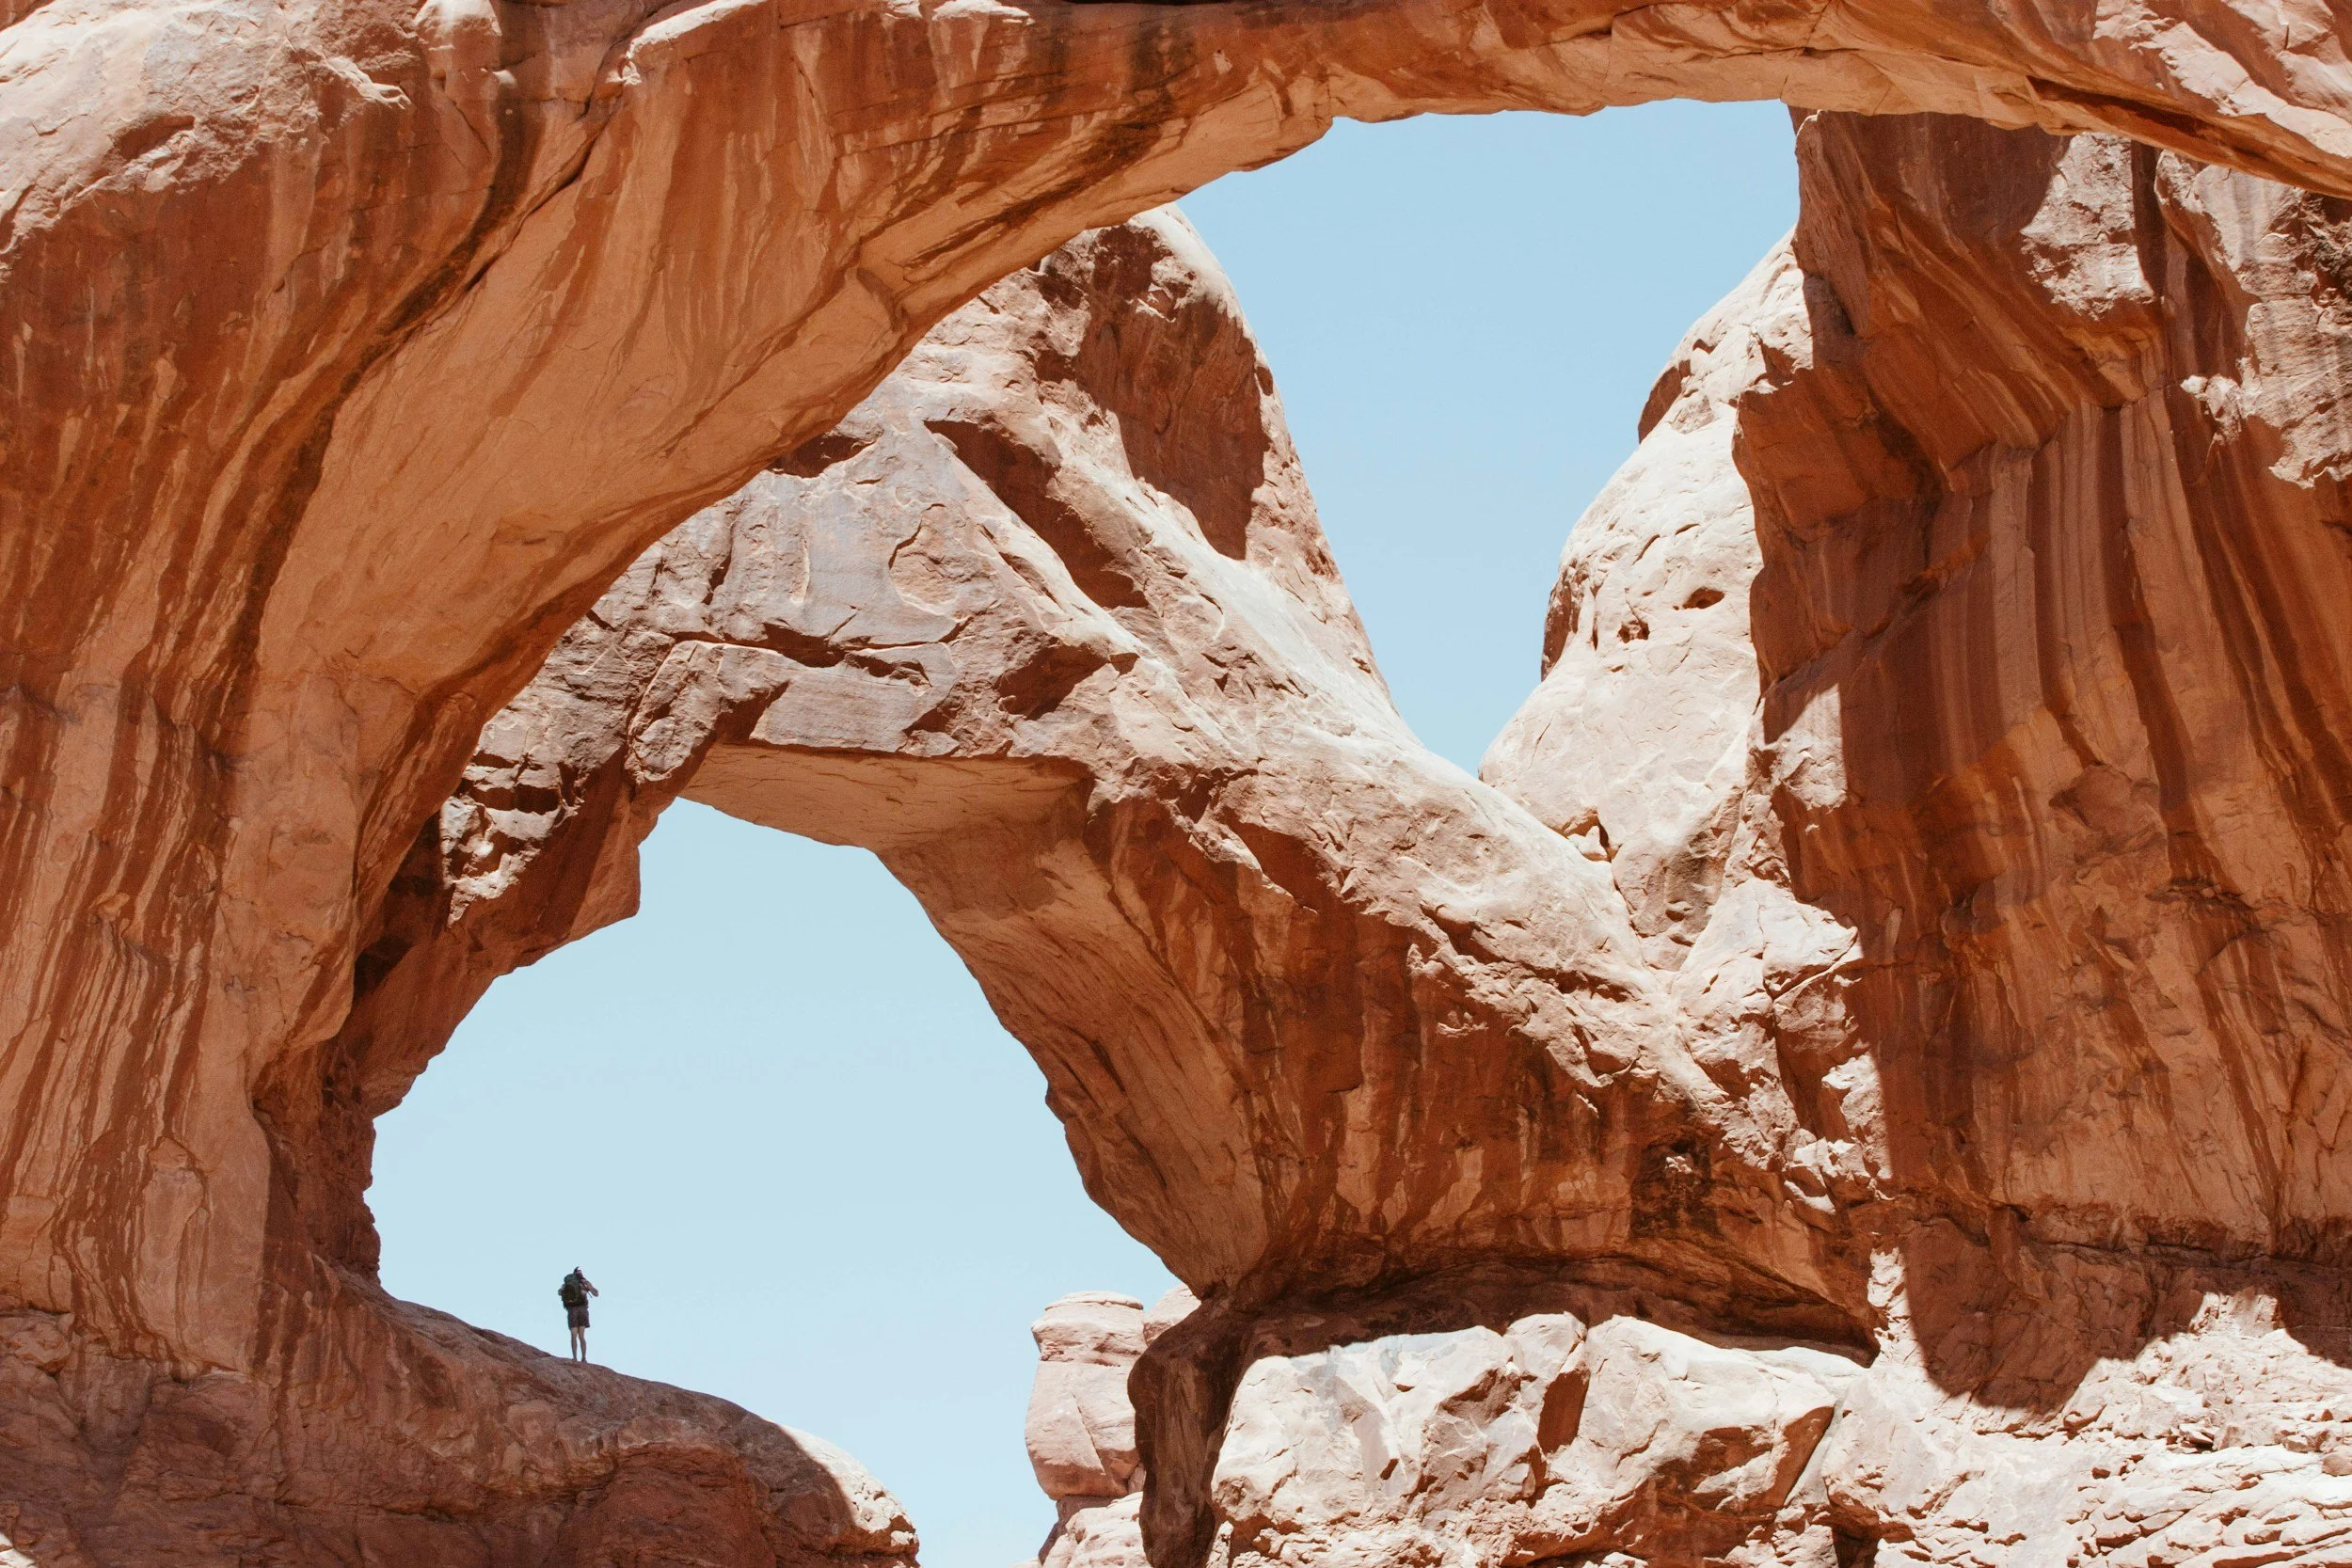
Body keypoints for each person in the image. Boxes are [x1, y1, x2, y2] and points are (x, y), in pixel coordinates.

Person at [559, 1267, 599, 1363]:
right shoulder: (584, 1282)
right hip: (582, 1309)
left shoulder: (567, 1283)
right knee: (581, 1336)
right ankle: (584, 1358)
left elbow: (560, 1292)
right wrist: (588, 1287)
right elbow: (596, 1294)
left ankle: (574, 1358)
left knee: (573, 1335)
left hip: (572, 1310)